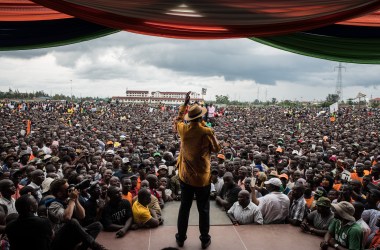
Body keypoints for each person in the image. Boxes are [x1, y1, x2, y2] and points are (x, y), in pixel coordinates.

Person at [173, 91, 221, 249]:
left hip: (185, 177)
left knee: (184, 208)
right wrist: (210, 131)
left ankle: (180, 238)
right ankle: (204, 238)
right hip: (202, 179)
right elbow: (217, 148)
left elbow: (178, 119)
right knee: (204, 210)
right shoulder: (206, 132)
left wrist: (184, 104)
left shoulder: (183, 130)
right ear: (201, 118)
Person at [47, 179, 106, 250]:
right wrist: (72, 200)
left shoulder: (68, 201)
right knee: (72, 221)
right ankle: (96, 246)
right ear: (59, 193)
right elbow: (67, 218)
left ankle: (82, 248)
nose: (70, 190)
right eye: (67, 189)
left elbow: (82, 216)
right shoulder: (53, 205)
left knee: (97, 225)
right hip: (59, 240)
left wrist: (76, 200)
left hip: (71, 236)